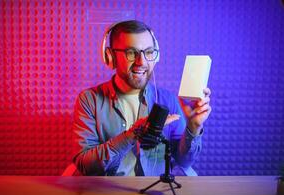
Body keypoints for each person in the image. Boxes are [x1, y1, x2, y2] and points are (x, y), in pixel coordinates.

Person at [72, 20, 211, 176]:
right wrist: (132, 134)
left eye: (149, 52)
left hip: (153, 192)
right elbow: (85, 165)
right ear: (110, 57)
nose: (142, 62)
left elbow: (184, 161)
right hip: (109, 191)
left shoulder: (168, 100)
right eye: (131, 52)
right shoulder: (89, 101)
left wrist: (193, 127)